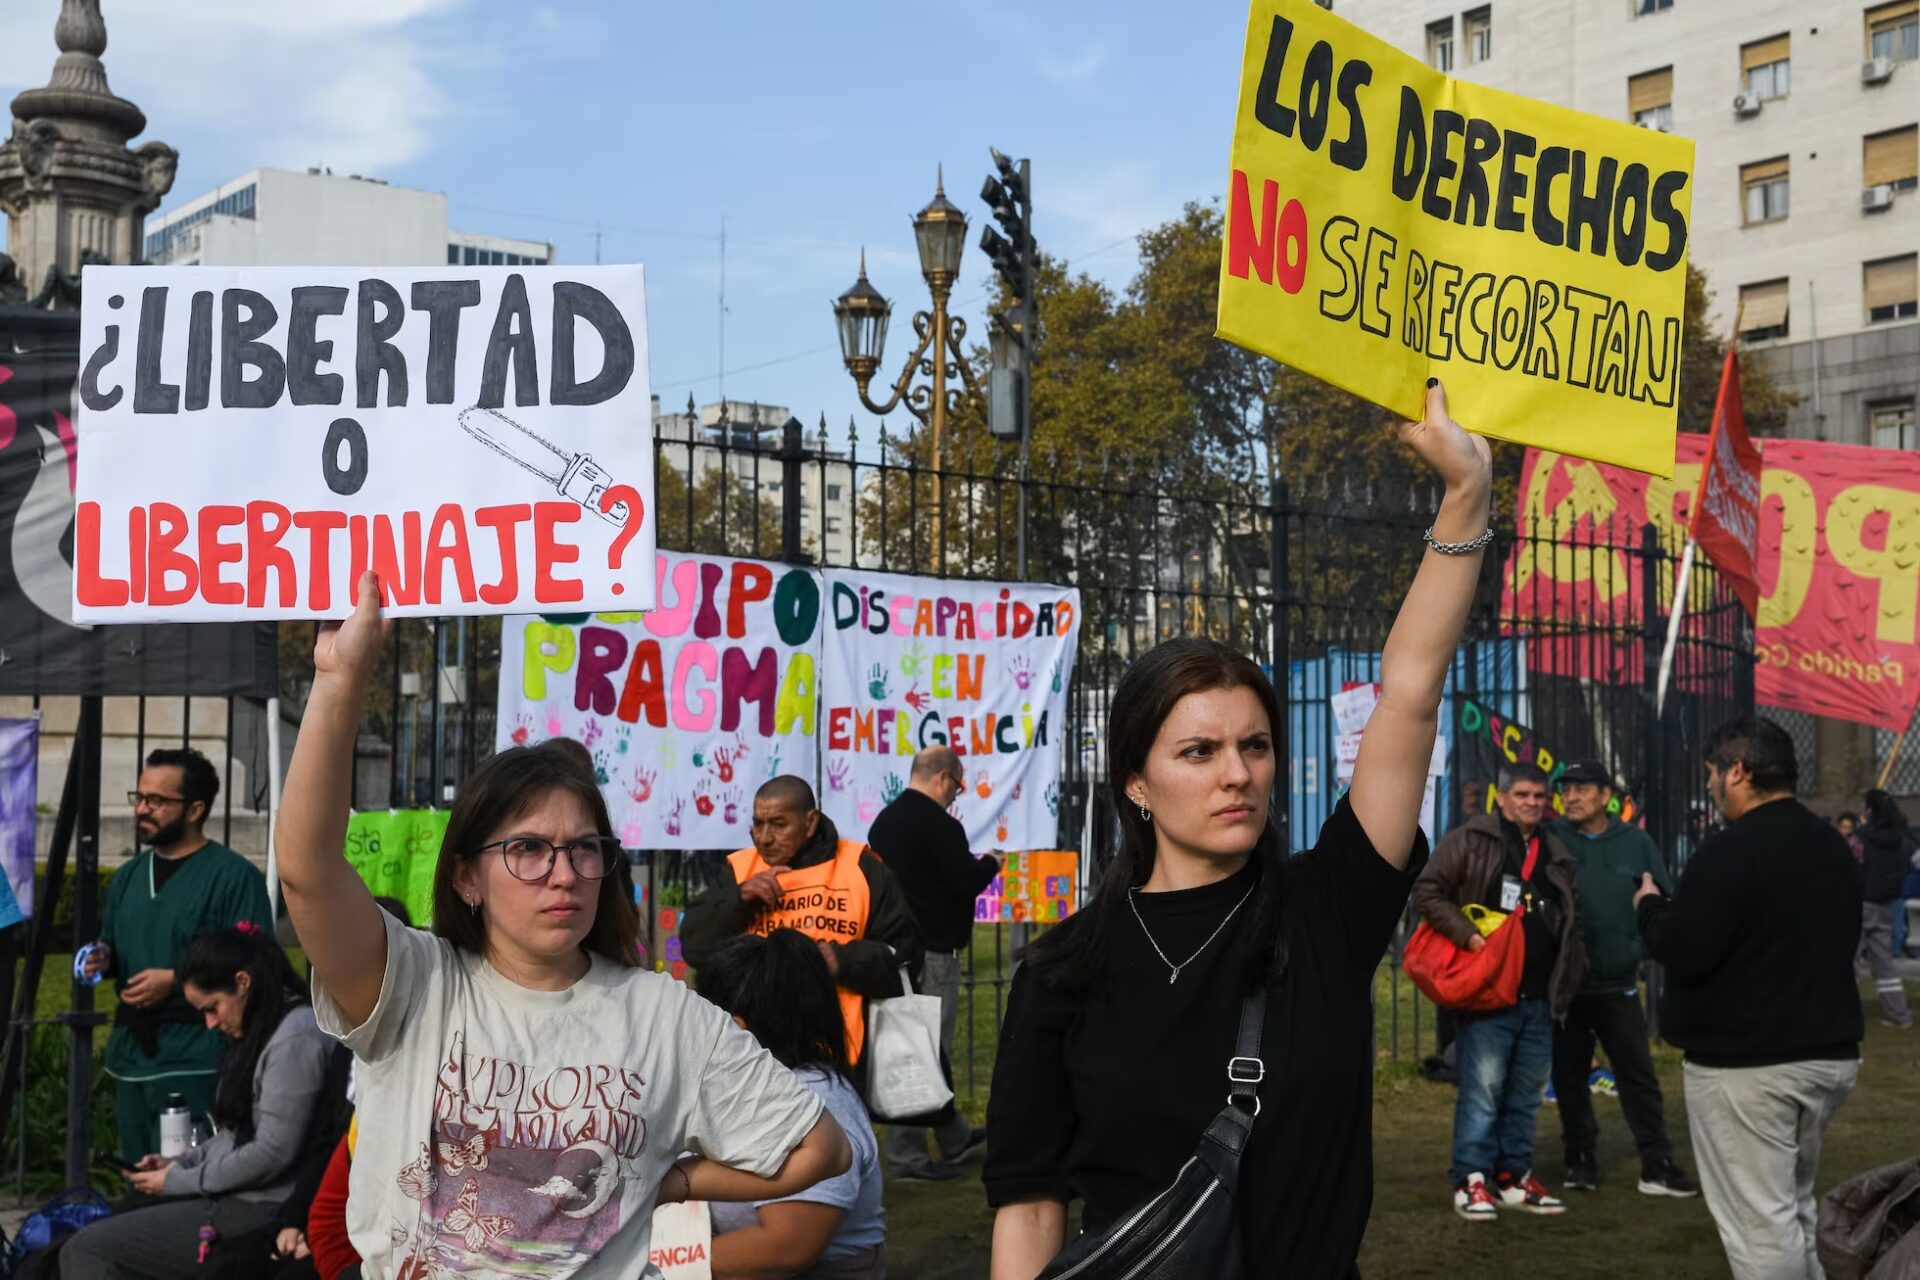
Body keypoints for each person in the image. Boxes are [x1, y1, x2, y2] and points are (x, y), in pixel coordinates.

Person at [985, 379, 1490, 1276]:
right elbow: (1028, 1209)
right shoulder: (1061, 973)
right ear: (1136, 783)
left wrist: (1466, 494)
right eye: (1199, 751)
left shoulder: (1328, 909)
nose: (1237, 773)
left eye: (1255, 746)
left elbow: (1410, 690)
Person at [277, 573, 850, 1279]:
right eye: (528, 849)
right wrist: (338, 680)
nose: (563, 873)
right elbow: (306, 871)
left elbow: (822, 1149)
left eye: (584, 848)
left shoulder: (665, 1015)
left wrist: (668, 1180)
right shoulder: (413, 987)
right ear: (466, 877)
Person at [1636, 716, 1863, 1280]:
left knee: (1761, 1227)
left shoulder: (1731, 850)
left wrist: (1650, 908)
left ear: (1737, 771)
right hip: (1823, 1054)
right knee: (1793, 1208)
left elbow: (1686, 948)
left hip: (1750, 1066)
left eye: (1713, 772)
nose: (1710, 784)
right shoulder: (1830, 845)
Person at [61, 924, 340, 1279]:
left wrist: (178, 1180)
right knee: (99, 1230)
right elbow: (234, 1136)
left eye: (213, 1007)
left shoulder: (294, 1039)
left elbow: (271, 1153)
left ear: (243, 982)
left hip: (265, 1206)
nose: (209, 1023)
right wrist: (180, 1164)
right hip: (240, 1195)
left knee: (88, 1248)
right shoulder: (263, 1026)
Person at [1411, 761, 1586, 1221]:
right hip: (1488, 992)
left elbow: (1571, 916)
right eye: (1523, 795)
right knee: (1483, 1092)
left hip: (1540, 996)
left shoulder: (1555, 850)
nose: (1532, 803)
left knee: (1526, 1095)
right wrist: (1468, 935)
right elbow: (1428, 890)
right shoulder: (1472, 840)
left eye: (1539, 797)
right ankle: (1471, 1178)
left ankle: (1513, 1176)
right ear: (1502, 796)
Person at [81, 748, 273, 1164]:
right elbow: (114, 940)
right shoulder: (128, 878)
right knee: (138, 1176)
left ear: (195, 809)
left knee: (188, 1179)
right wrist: (103, 957)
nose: (141, 809)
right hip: (132, 1056)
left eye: (156, 801)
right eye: (139, 797)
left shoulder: (234, 878)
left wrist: (175, 979)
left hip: (198, 1057)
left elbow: (257, 962)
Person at [681, 776, 922, 1070]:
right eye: (757, 824)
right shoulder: (740, 870)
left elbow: (905, 956)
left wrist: (840, 960)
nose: (764, 837)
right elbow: (696, 949)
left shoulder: (862, 868)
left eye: (778, 824)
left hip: (841, 1054)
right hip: (753, 1056)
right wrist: (739, 900)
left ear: (810, 823)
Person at [701, 930, 887, 1279]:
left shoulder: (814, 1102)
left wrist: (657, 1261)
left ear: (737, 1029)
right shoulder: (740, 1086)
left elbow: (787, 1246)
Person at [1548, 761, 1696, 1197]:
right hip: (1569, 984)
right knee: (1570, 1078)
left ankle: (1657, 1161)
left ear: (1605, 796)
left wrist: (1637, 947)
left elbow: (1660, 897)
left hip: (1618, 983)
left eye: (1581, 789)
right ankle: (1579, 1157)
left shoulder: (1635, 842)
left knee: (1638, 1077)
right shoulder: (1552, 838)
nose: (1571, 797)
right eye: (1566, 789)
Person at [867, 746, 998, 1181]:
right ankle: (908, 1155)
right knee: (919, 1052)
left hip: (897, 950)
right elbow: (964, 882)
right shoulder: (942, 825)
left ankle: (953, 1136)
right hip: (934, 951)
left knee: (915, 1045)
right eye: (957, 786)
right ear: (942, 778)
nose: (956, 794)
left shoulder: (884, 822)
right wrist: (991, 864)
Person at [1857, 790, 1914, 1029]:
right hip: (1886, 905)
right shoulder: (1899, 839)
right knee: (1885, 963)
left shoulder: (1862, 837)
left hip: (1861, 904)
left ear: (1869, 810)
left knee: (1849, 959)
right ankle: (1899, 1014)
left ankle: (1844, 1012)